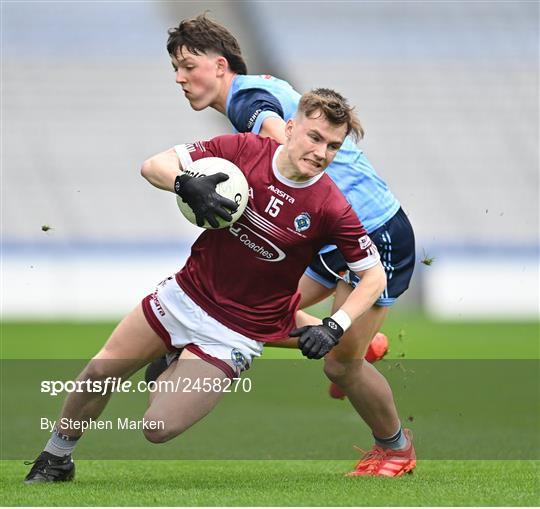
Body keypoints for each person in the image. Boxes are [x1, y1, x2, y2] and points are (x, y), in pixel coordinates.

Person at [24, 89, 413, 484]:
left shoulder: (331, 205)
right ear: (291, 128)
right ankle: (56, 458)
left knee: (157, 428)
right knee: (99, 373)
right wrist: (183, 183)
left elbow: (374, 275)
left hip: (234, 334)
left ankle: (170, 365)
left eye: (333, 146)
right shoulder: (244, 151)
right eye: (314, 137)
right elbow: (153, 165)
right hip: (183, 296)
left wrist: (336, 325)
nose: (321, 152)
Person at [146, 13, 417, 477]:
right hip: (329, 232)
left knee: (339, 365)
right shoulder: (255, 86)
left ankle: (396, 449)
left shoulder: (248, 100)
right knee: (250, 304)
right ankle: (362, 342)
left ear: (220, 64)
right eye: (176, 66)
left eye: (188, 64)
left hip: (374, 233)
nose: (179, 76)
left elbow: (283, 153)